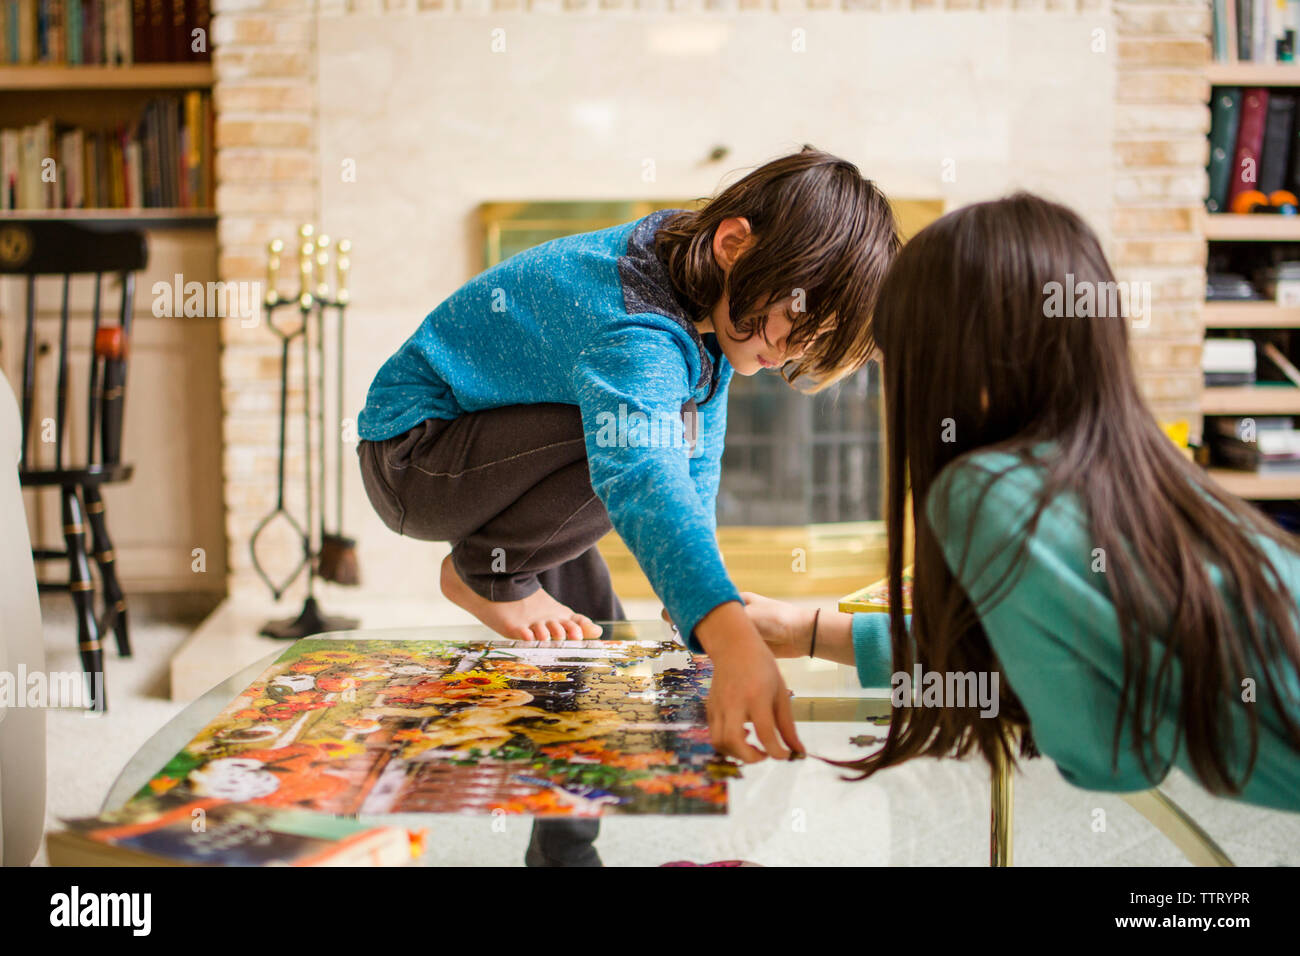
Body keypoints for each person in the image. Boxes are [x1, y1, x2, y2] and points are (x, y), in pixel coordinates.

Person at [355, 146, 901, 863]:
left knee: (597, 663)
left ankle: (563, 852)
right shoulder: (634, 325)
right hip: (414, 459)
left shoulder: (701, 282)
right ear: (736, 245)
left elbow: (695, 457)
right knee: (632, 437)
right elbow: (645, 475)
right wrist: (733, 640)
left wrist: (695, 609)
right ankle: (488, 573)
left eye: (811, 345)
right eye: (789, 330)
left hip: (503, 468)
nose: (789, 354)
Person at [742, 193, 1300, 812]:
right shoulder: (1145, 477)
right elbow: (1003, 661)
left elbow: (1110, 760)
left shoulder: (986, 497)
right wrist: (806, 630)